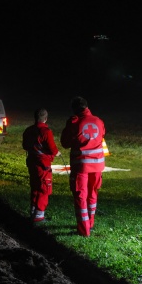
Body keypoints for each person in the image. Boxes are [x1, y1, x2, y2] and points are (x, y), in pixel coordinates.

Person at [60, 96, 106, 237]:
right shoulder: (98, 121)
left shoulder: (75, 123)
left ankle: (83, 230)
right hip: (97, 166)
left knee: (80, 196)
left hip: (81, 166)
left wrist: (70, 126)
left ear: (74, 109)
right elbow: (102, 135)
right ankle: (90, 224)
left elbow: (65, 143)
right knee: (93, 194)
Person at [22, 108, 61, 224]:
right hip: (43, 164)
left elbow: (25, 146)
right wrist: (57, 153)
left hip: (31, 162)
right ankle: (39, 216)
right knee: (44, 188)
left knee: (34, 187)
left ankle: (33, 211)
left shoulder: (28, 130)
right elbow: (52, 148)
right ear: (45, 119)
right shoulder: (46, 131)